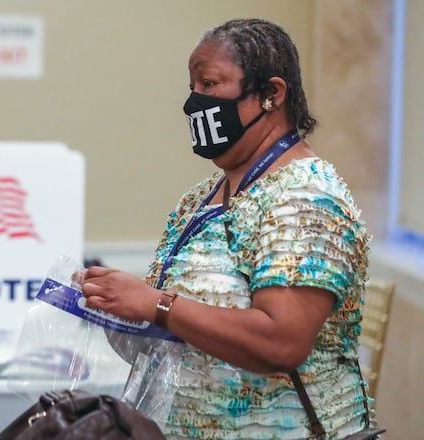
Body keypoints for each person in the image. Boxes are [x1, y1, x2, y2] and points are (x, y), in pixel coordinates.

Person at [80, 18, 375, 439]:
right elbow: (180, 328)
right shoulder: (202, 197)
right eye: (192, 88)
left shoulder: (308, 197)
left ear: (271, 94)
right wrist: (113, 305)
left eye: (209, 85)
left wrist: (157, 306)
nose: (194, 103)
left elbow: (282, 343)